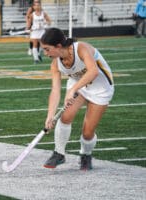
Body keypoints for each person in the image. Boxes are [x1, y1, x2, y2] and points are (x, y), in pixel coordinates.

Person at [40, 28, 114, 170]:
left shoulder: (81, 48)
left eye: (47, 49)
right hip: (79, 84)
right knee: (65, 117)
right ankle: (59, 153)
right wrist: (50, 116)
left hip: (100, 88)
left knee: (87, 133)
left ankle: (85, 154)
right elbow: (55, 90)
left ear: (58, 46)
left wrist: (73, 89)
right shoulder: (56, 63)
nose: (46, 53)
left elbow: (93, 71)